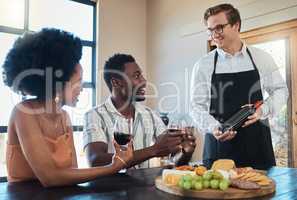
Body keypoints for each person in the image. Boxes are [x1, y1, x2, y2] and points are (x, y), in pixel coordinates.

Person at [2, 28, 133, 187]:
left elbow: (72, 172)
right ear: (57, 83)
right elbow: (50, 177)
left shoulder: (64, 116)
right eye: (78, 81)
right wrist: (113, 167)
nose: (82, 88)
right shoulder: (23, 113)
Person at [190, 4, 288, 170]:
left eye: (219, 28)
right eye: (210, 30)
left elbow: (281, 91)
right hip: (219, 148)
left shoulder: (262, 58)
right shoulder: (203, 65)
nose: (214, 34)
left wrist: (262, 110)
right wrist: (214, 128)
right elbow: (196, 107)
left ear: (236, 25)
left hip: (257, 147)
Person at [84, 53, 196, 168]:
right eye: (137, 76)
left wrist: (185, 152)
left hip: (144, 186)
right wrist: (153, 150)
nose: (144, 81)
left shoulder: (150, 115)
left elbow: (174, 161)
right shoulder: (95, 115)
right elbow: (96, 160)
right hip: (110, 186)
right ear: (116, 82)